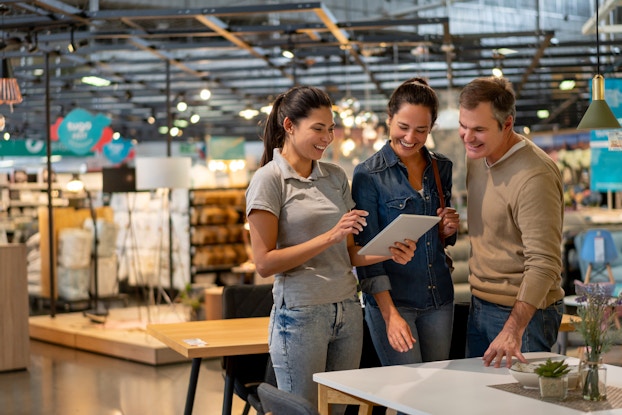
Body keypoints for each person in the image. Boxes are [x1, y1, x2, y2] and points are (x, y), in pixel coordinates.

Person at [245, 85, 416, 410]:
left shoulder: (336, 177)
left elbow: (349, 254)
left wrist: (389, 250)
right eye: (318, 129)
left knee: (340, 410)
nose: (327, 137)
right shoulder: (268, 180)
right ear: (290, 126)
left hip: (348, 311)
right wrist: (329, 236)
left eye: (331, 128)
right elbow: (264, 263)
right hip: (299, 317)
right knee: (303, 410)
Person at [351, 77, 460, 366]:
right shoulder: (368, 176)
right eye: (403, 127)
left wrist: (447, 229)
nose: (411, 137)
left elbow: (439, 237)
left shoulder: (441, 167)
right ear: (389, 119)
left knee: (437, 393)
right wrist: (389, 314)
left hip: (439, 299)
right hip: (394, 302)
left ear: (431, 128)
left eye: (421, 130)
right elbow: (367, 256)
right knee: (408, 397)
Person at [458, 76, 565, 368]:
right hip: (479, 304)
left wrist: (512, 329)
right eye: (463, 126)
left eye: (479, 129)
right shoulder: (478, 156)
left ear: (507, 124)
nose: (468, 137)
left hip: (523, 316)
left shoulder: (535, 176)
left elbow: (544, 262)